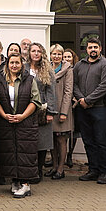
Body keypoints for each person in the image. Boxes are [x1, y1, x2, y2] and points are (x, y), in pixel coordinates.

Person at [0, 53, 41, 198]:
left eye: (17, 63)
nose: (14, 65)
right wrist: (4, 115)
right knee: (9, 152)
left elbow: (36, 101)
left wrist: (22, 116)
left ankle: (26, 184)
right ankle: (15, 181)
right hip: (6, 122)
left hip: (25, 123)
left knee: (25, 152)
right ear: (7, 64)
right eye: (11, 63)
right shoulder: (0, 80)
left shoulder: (29, 79)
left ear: (22, 64)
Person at [73, 37, 106, 185]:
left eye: (95, 47)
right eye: (90, 47)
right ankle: (93, 169)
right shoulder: (79, 65)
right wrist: (81, 99)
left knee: (101, 141)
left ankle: (104, 172)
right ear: (86, 49)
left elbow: (104, 86)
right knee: (88, 141)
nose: (92, 50)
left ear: (100, 49)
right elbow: (74, 85)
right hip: (82, 109)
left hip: (100, 109)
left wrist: (88, 100)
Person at [28, 43, 58, 181]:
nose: (35, 53)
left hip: (42, 109)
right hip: (26, 108)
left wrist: (51, 111)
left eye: (38, 51)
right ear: (29, 53)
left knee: (42, 141)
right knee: (28, 140)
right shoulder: (23, 68)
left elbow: (51, 92)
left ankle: (39, 170)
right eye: (33, 51)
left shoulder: (47, 70)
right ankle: (29, 169)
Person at [49, 44, 73, 179]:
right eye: (54, 54)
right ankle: (53, 165)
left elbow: (68, 91)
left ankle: (60, 168)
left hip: (62, 109)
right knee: (51, 139)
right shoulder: (47, 68)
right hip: (50, 108)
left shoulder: (68, 69)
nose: (56, 56)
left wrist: (63, 112)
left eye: (59, 54)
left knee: (61, 139)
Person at [63, 48, 80, 167]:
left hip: (75, 105)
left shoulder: (77, 70)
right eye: (65, 57)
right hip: (63, 104)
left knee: (73, 132)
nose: (67, 59)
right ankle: (61, 156)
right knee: (62, 133)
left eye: (69, 57)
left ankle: (70, 155)